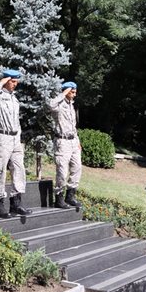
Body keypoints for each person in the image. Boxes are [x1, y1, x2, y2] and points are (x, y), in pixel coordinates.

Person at [0, 70, 32, 218]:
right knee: (0, 170)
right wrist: (0, 82)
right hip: (2, 137)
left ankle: (16, 203)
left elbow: (16, 120)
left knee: (19, 168)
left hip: (15, 138)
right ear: (6, 80)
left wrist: (18, 136)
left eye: (16, 81)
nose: (15, 84)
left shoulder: (14, 98)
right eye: (12, 81)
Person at [49, 81, 82, 209]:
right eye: (72, 92)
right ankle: (59, 197)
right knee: (62, 171)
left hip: (73, 141)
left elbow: (73, 126)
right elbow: (50, 105)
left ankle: (70, 196)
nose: (74, 94)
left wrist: (77, 141)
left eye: (74, 92)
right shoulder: (58, 106)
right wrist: (63, 93)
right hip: (62, 141)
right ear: (67, 91)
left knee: (77, 168)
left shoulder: (71, 106)